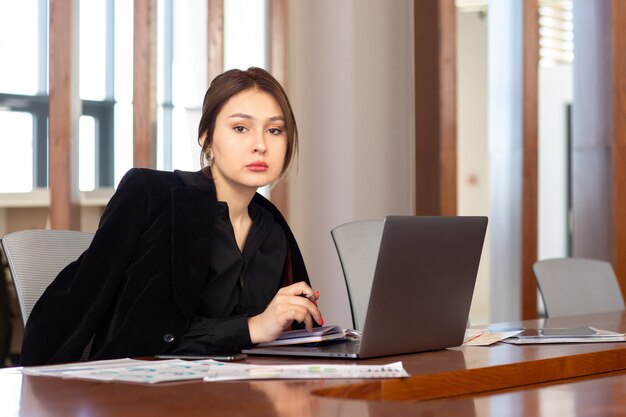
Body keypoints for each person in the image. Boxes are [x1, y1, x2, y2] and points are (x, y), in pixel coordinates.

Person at [21, 67, 323, 366]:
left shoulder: (273, 230)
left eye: (274, 130)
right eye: (241, 128)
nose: (261, 144)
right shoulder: (156, 197)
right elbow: (139, 336)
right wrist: (253, 327)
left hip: (243, 393)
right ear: (206, 138)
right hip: (144, 397)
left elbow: (281, 342)